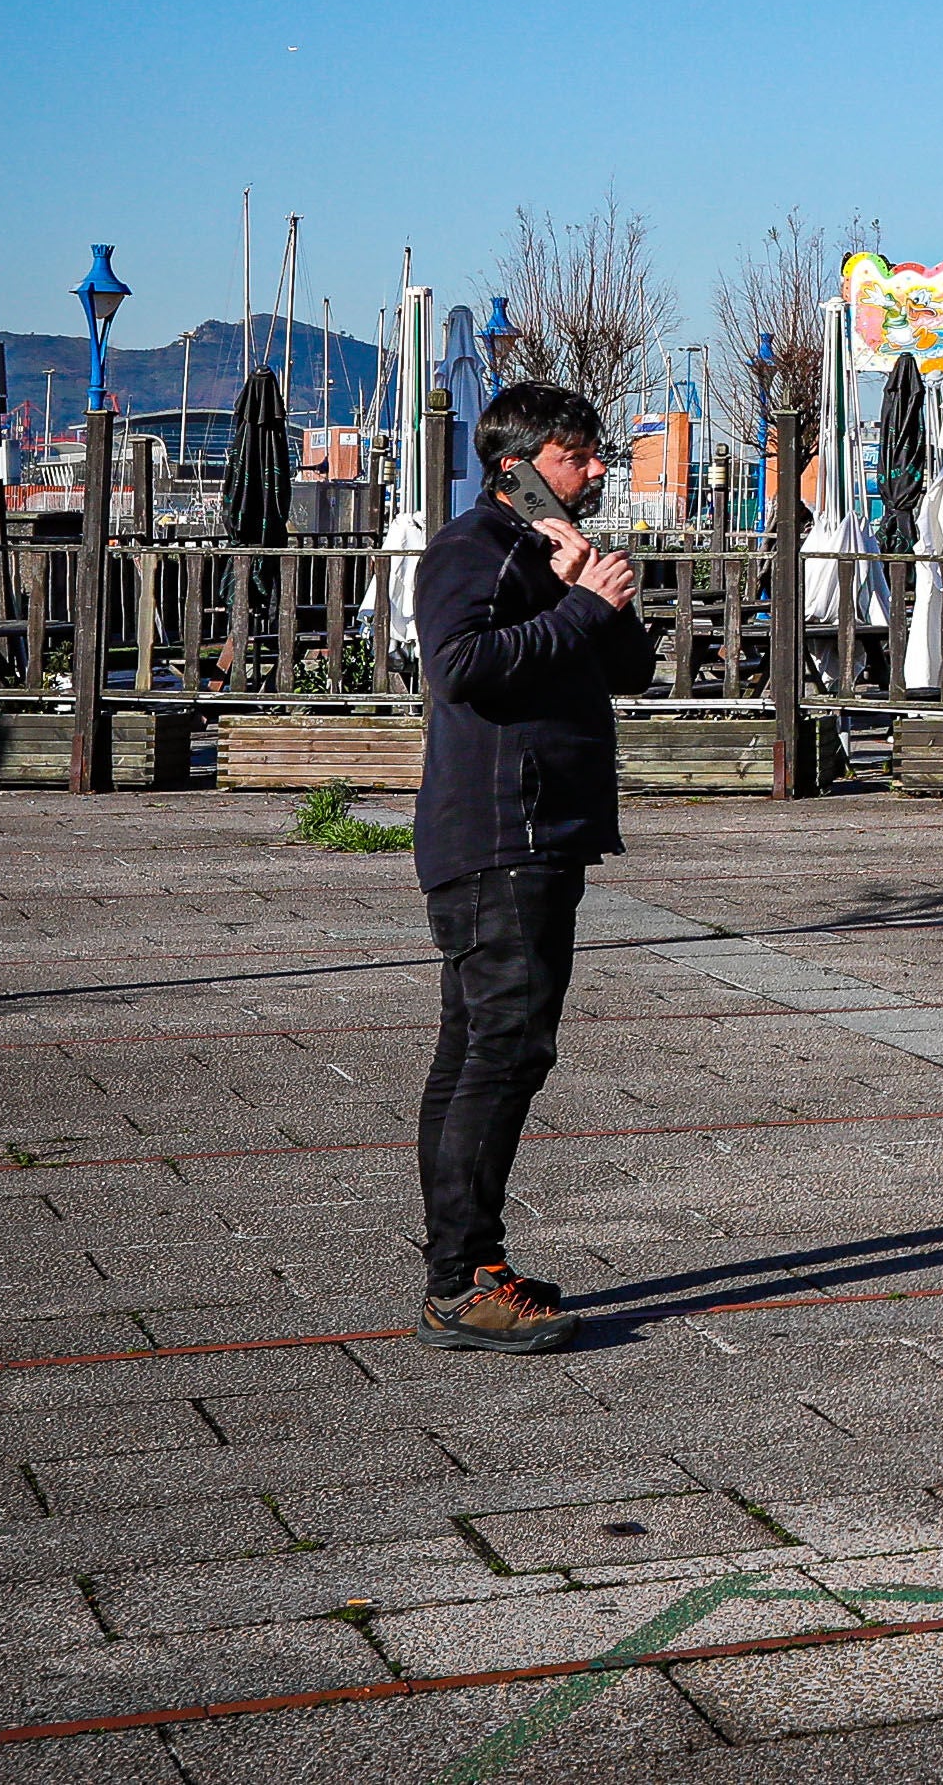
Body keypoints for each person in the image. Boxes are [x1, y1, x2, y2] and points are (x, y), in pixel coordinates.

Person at [408, 380, 650, 1351]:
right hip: (499, 837)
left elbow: (627, 670)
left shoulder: (547, 554)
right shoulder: (468, 549)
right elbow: (461, 666)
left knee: (484, 1048)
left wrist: (590, 585)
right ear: (518, 468)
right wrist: (580, 606)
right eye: (576, 454)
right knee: (501, 1049)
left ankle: (470, 1263)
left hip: (545, 834)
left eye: (595, 455)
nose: (595, 470)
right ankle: (458, 1283)